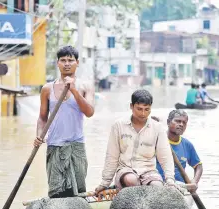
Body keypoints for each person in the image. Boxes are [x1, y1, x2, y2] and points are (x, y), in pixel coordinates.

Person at [33, 45, 95, 198]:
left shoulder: (85, 86)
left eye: (70, 60)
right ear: (58, 63)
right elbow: (42, 117)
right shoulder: (47, 89)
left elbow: (89, 112)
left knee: (78, 192)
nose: (67, 63)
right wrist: (39, 135)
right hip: (55, 146)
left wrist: (74, 90)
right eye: (63, 60)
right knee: (56, 193)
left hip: (76, 145)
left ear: (77, 63)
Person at [94, 89, 178, 194]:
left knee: (157, 186)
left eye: (147, 109)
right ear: (131, 106)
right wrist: (105, 182)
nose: (143, 113)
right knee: (131, 180)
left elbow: (165, 157)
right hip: (125, 170)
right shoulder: (118, 126)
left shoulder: (158, 128)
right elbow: (112, 156)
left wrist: (170, 180)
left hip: (149, 172)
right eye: (139, 109)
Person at [156, 110, 203, 193]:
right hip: (159, 184)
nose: (181, 124)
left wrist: (194, 182)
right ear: (168, 122)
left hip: (180, 186)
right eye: (178, 121)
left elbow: (198, 166)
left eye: (184, 123)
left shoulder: (187, 145)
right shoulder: (157, 140)